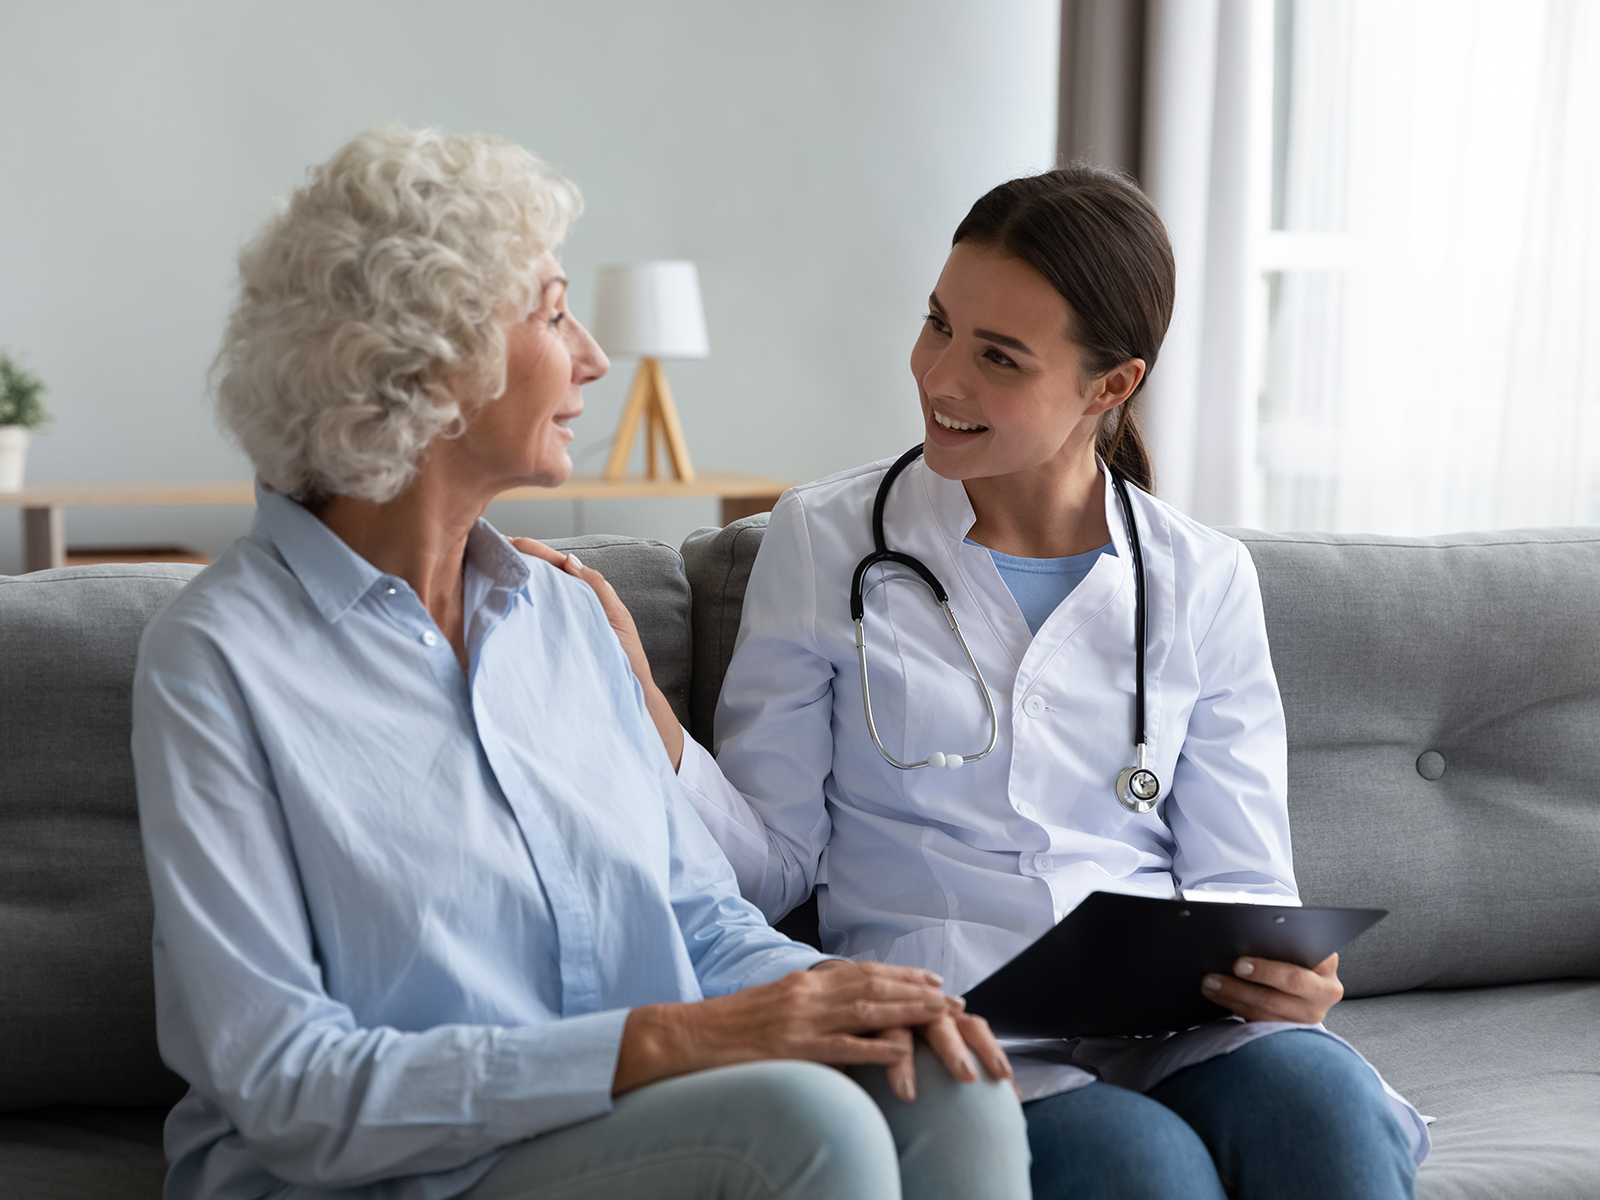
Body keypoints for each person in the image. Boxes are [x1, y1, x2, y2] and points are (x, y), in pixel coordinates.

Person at [131, 124, 1031, 1200]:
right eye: (554, 314)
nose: (594, 358)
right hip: (376, 1177)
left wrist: (857, 998)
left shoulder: (561, 620)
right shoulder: (217, 663)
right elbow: (290, 1088)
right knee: (798, 1123)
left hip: (612, 1136)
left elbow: (700, 922)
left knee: (952, 1079)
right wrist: (670, 1042)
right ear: (429, 359)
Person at [529, 166, 1430, 1200]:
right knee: (1145, 1167)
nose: (940, 378)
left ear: (1110, 386)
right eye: (938, 325)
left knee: (1325, 1114)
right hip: (965, 1020)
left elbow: (1244, 888)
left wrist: (1287, 976)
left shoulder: (1201, 578)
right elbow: (772, 868)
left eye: (997, 357)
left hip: (1177, 1021)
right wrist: (645, 700)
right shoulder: (825, 541)